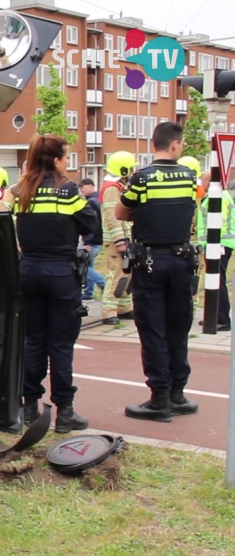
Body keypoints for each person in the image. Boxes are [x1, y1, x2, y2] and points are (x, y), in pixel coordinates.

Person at [116, 122, 200, 422]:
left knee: (153, 330)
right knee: (179, 328)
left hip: (151, 263)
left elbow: (120, 212)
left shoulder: (142, 179)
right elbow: (192, 206)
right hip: (182, 261)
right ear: (174, 144)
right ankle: (178, 394)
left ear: (156, 144)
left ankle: (159, 399)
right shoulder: (190, 177)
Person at [14, 135, 98, 433]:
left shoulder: (22, 190)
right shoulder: (68, 190)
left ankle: (27, 407)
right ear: (58, 160)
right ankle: (65, 412)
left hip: (29, 271)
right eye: (66, 156)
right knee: (61, 344)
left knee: (33, 341)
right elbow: (91, 223)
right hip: (61, 273)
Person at [99, 151, 137, 326]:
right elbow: (111, 215)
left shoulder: (120, 187)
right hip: (116, 241)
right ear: (123, 170)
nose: (133, 170)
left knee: (125, 274)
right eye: (130, 168)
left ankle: (124, 308)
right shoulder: (112, 189)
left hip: (123, 238)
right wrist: (120, 240)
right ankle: (109, 312)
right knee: (115, 275)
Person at [196, 177, 235, 330]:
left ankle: (222, 319)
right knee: (215, 281)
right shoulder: (219, 195)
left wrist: (213, 245)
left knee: (217, 281)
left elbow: (218, 223)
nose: (201, 184)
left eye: (203, 181)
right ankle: (214, 316)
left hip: (219, 245)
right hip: (220, 244)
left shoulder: (217, 197)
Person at [79, 178, 105, 301]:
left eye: (83, 187)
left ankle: (103, 283)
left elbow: (92, 224)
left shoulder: (91, 202)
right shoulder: (99, 199)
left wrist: (87, 241)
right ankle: (88, 293)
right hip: (99, 238)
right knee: (89, 265)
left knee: (84, 267)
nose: (81, 190)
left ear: (90, 186)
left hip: (93, 240)